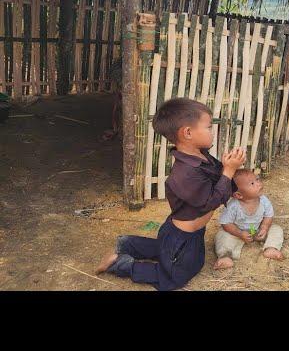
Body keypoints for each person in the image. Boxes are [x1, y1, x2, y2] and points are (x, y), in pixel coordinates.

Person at [95, 97, 246, 291]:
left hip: (185, 235)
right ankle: (119, 263)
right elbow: (209, 202)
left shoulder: (201, 155)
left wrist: (229, 170)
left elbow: (218, 178)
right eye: (208, 127)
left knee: (188, 259)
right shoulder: (184, 173)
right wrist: (229, 171)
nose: (212, 131)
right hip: (182, 237)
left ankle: (128, 243)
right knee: (174, 278)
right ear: (188, 133)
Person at [212, 169, 284, 269]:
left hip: (258, 230)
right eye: (252, 183)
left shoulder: (263, 200)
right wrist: (239, 233)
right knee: (222, 236)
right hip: (237, 233)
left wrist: (264, 228)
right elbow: (226, 223)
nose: (259, 184)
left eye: (257, 179)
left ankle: (271, 247)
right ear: (238, 195)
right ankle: (225, 256)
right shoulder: (233, 206)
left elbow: (268, 216)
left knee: (276, 229)